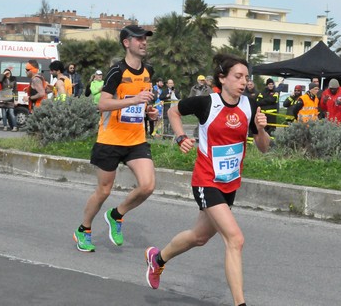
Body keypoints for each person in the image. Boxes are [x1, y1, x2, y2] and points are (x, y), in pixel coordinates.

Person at [144, 53, 270, 306]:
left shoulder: (250, 106)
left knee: (199, 237)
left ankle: (158, 259)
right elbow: (173, 112)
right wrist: (180, 137)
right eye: (238, 76)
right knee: (235, 239)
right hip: (206, 180)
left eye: (246, 77)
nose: (243, 82)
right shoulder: (206, 103)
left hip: (230, 183)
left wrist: (262, 129)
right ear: (222, 78)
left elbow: (264, 147)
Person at [73, 24, 158, 252]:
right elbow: (102, 104)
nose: (143, 42)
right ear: (126, 43)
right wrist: (133, 101)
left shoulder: (149, 70)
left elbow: (142, 101)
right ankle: (84, 229)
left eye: (145, 39)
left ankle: (116, 214)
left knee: (148, 186)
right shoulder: (116, 71)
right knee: (103, 191)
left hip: (136, 139)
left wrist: (149, 111)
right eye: (138, 39)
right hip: (110, 139)